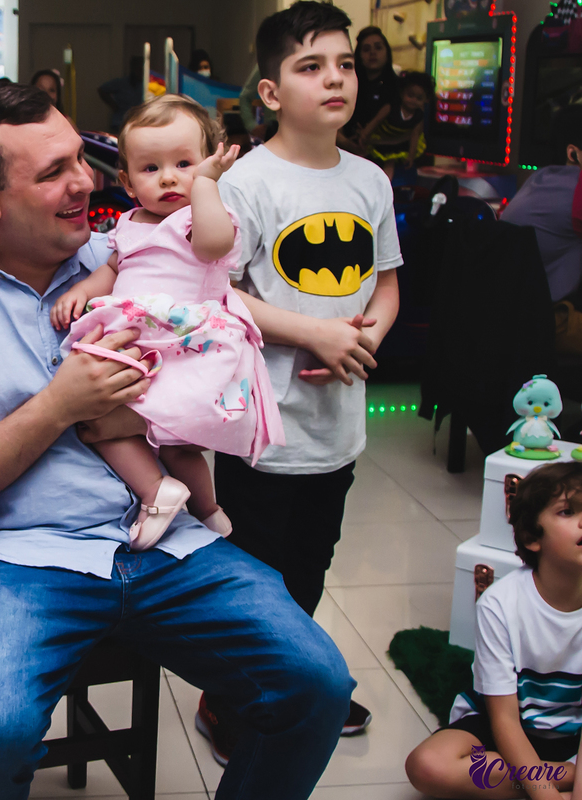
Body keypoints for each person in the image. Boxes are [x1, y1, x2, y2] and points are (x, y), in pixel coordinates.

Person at [0, 81, 353, 800]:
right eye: (52, 173)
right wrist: (59, 406)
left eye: (81, 158)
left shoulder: (132, 251)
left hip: (171, 546)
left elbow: (215, 291)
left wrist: (308, 332)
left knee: (316, 683)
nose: (84, 182)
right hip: (26, 559)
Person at [198, 0, 403, 762]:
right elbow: (213, 292)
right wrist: (312, 329)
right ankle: (230, 699)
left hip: (337, 425)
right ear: (273, 92)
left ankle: (298, 680)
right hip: (262, 424)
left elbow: (384, 283)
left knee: (312, 567)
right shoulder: (248, 183)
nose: (336, 79)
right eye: (311, 66)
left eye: (345, 63)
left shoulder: (370, 181)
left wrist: (369, 332)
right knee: (255, 581)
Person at [50, 94, 282, 542]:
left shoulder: (200, 217)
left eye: (184, 164)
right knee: (102, 421)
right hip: (138, 340)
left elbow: (215, 247)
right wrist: (80, 292)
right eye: (151, 168)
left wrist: (207, 189)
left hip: (188, 341)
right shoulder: (129, 223)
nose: (170, 178)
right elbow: (113, 269)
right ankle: (160, 491)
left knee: (176, 441)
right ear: (128, 181)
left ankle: (205, 507)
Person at [405, 461, 582, 799]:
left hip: (572, 732)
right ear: (531, 537)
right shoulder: (500, 603)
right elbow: (505, 721)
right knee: (428, 765)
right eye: (568, 511)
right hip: (504, 728)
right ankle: (561, 775)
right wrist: (546, 793)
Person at [501, 104, 582, 304]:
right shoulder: (576, 188)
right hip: (542, 315)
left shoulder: (541, 177)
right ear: (573, 153)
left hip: (508, 304)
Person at [357, 70, 432, 178]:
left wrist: (411, 156)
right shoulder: (391, 108)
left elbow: (415, 135)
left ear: (426, 100)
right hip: (381, 137)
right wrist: (364, 135)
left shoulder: (419, 116)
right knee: (365, 157)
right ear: (402, 93)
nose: (413, 100)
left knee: (390, 162)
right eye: (410, 95)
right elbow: (376, 121)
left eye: (419, 98)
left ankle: (387, 186)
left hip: (399, 144)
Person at [338, 27, 398, 155]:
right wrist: (346, 143)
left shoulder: (399, 88)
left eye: (378, 47)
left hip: (387, 155)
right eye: (366, 49)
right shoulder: (347, 84)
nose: (372, 53)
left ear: (387, 52)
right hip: (347, 152)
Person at [99, 57, 145, 133]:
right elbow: (102, 90)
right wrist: (113, 105)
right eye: (138, 69)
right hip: (120, 122)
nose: (140, 72)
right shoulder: (122, 83)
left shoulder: (147, 85)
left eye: (142, 69)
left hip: (139, 123)